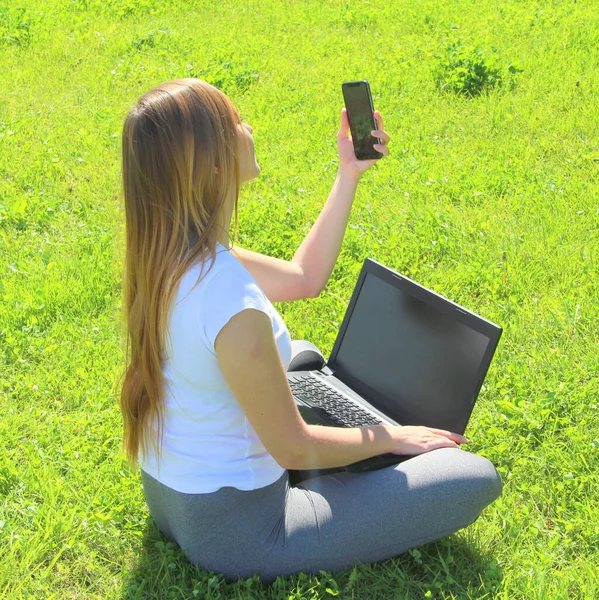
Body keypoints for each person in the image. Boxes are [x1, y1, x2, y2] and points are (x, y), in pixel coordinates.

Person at [119, 78, 502, 584]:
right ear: (211, 166)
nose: (248, 128)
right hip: (240, 529)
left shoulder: (170, 254)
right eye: (236, 123)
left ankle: (349, 426)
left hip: (174, 494)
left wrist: (350, 172)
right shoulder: (231, 303)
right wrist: (391, 436)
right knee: (474, 476)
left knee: (302, 354)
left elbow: (305, 278)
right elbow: (293, 449)